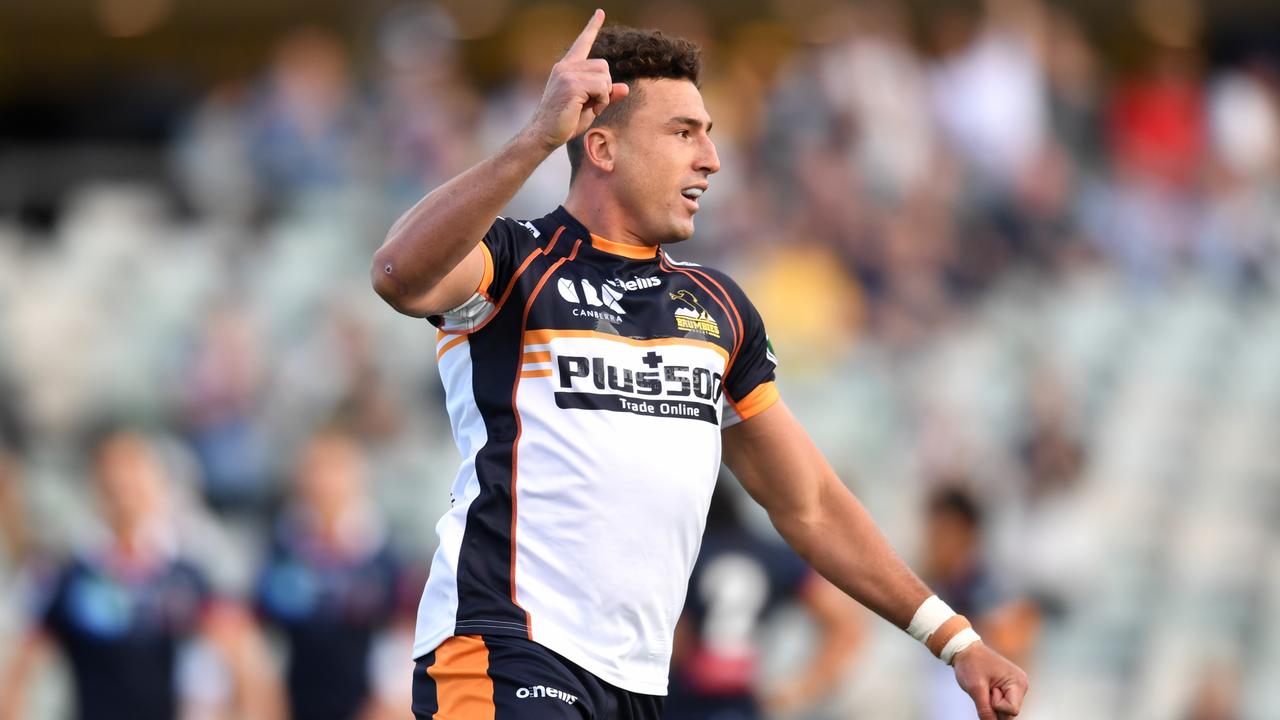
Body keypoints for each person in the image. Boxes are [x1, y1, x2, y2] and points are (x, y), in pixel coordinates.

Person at [371, 10, 1028, 720]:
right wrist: (536, 138)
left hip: (641, 685)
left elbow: (806, 502)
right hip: (503, 649)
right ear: (601, 147)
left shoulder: (717, 307)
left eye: (710, 134)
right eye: (684, 132)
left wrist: (956, 640)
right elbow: (397, 274)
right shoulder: (515, 259)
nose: (711, 158)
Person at [0, 429, 284, 720]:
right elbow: (21, 668)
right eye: (114, 476)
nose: (124, 487)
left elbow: (245, 660)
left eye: (135, 473)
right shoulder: (70, 575)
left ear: (157, 483)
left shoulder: (184, 574)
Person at [666, 479, 863, 720]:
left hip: (681, 701)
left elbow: (675, 639)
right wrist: (801, 689)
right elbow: (845, 622)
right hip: (744, 702)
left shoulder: (684, 555)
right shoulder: (770, 554)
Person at [255, 429, 416, 720]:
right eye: (317, 469)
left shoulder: (383, 554)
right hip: (294, 692)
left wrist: (388, 697)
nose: (326, 483)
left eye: (337, 469)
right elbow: (262, 629)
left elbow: (403, 632)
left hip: (367, 697)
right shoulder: (282, 548)